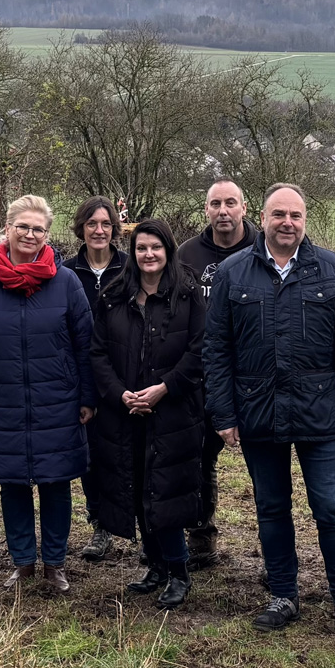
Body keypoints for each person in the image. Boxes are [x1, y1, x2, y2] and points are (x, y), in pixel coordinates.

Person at [204, 182, 335, 646]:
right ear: (261, 218)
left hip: (322, 414)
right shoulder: (233, 273)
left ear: (305, 221)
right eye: (279, 214)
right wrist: (223, 413)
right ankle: (283, 595)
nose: (287, 223)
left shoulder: (334, 270)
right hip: (258, 411)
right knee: (272, 508)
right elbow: (216, 349)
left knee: (332, 509)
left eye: (296, 216)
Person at [0, 195, 96, 594]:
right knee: (12, 483)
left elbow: (86, 344)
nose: (30, 235)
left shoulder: (65, 282)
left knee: (56, 481)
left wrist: (87, 396)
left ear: (47, 234)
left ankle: (55, 563)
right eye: (23, 227)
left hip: (58, 401)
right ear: (8, 227)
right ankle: (22, 562)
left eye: (38, 229)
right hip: (2, 401)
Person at [87, 219, 208, 609]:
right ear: (133, 253)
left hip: (173, 412)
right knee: (137, 487)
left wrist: (164, 388)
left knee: (166, 491)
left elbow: (200, 350)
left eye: (156, 247)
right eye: (141, 248)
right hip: (125, 412)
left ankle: (178, 571)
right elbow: (98, 352)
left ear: (168, 250)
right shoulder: (114, 295)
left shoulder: (187, 295)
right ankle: (155, 566)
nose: (149, 254)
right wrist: (119, 393)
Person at [175, 178, 257, 568]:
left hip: (255, 375)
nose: (223, 211)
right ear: (206, 210)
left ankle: (274, 552)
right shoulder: (188, 253)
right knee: (199, 457)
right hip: (201, 374)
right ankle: (201, 536)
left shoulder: (262, 248)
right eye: (215, 204)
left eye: (230, 203)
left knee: (264, 465)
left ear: (244, 207)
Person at [63, 195, 128, 562]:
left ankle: (135, 523)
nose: (99, 230)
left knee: (127, 452)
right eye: (92, 224)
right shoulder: (67, 273)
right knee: (90, 456)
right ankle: (100, 525)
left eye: (105, 224)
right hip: (83, 377)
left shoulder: (131, 268)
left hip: (125, 377)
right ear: (81, 229)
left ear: (114, 229)